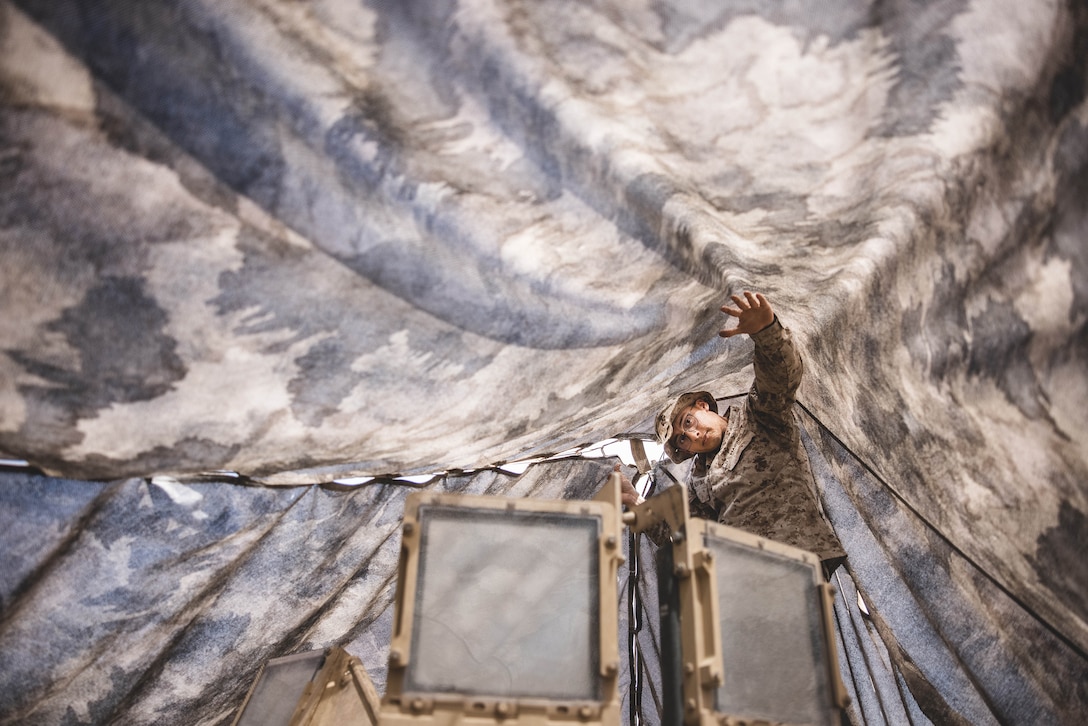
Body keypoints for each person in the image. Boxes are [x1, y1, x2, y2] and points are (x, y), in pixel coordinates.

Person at [617, 291, 846, 574]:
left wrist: (766, 332)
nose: (693, 435)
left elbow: (779, 378)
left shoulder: (759, 416)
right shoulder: (699, 479)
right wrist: (637, 504)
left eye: (688, 423)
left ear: (702, 405)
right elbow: (679, 532)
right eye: (682, 440)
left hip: (795, 559)